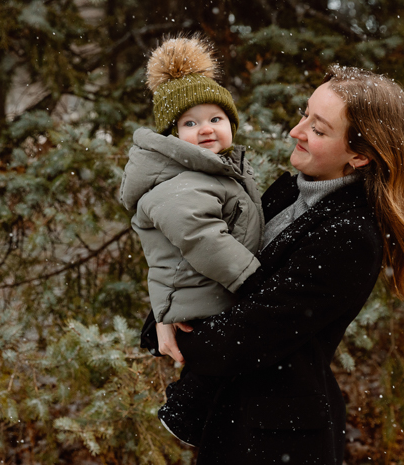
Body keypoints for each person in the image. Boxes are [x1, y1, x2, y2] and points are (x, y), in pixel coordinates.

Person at [143, 63, 404, 464]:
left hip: (279, 439)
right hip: (235, 419)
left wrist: (177, 325)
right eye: (304, 114)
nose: (296, 132)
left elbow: (243, 338)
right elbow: (207, 261)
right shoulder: (290, 189)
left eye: (318, 129)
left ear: (361, 155)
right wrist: (165, 311)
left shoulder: (351, 236)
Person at [119, 36, 263, 444]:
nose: (205, 130)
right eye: (190, 123)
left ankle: (197, 416)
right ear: (172, 135)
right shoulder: (181, 183)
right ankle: (184, 415)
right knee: (218, 371)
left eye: (216, 118)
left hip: (205, 292)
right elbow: (202, 239)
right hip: (200, 296)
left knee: (225, 372)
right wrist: (254, 281)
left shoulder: (214, 172)